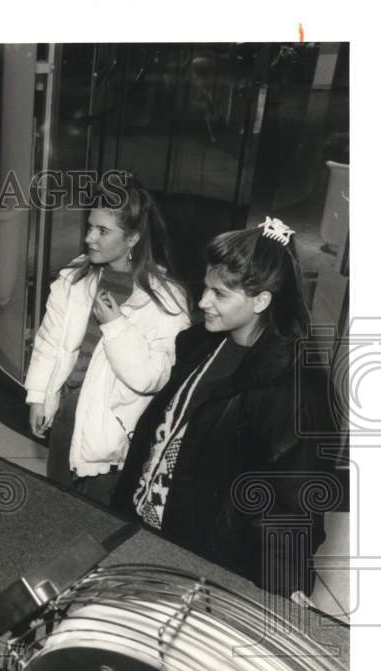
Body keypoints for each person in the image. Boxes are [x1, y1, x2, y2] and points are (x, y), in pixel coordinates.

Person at [113, 218, 330, 598]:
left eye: (219, 294)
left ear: (261, 300)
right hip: (150, 534)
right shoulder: (201, 343)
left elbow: (291, 507)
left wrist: (281, 590)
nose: (202, 302)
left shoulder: (296, 390)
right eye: (206, 288)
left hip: (207, 566)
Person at [24, 172, 191, 503]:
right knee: (57, 501)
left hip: (113, 427)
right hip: (68, 410)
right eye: (90, 227)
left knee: (100, 516)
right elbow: (49, 340)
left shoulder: (166, 300)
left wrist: (115, 326)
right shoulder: (74, 279)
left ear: (132, 238)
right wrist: (38, 395)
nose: (89, 238)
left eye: (102, 230)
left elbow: (152, 378)